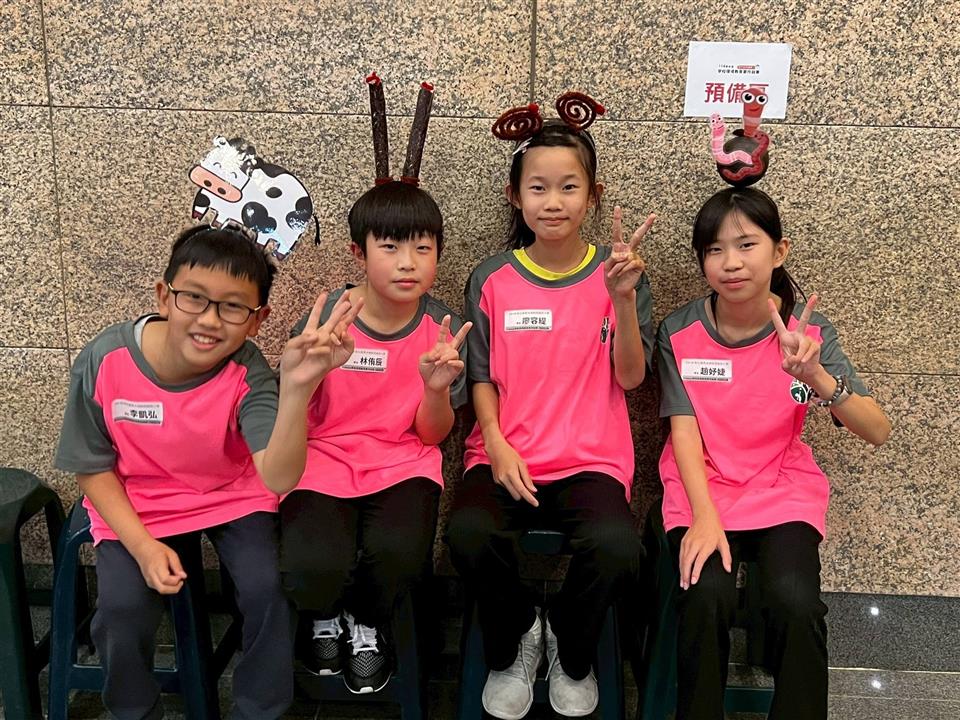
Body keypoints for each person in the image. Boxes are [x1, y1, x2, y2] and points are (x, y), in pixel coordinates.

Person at [54, 225, 360, 720]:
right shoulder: (104, 359)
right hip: (138, 502)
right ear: (164, 295)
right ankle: (133, 710)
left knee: (268, 589)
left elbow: (278, 477)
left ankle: (258, 710)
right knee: (122, 610)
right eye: (194, 298)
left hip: (231, 494)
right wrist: (143, 547)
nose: (210, 320)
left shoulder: (248, 371)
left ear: (257, 320)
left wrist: (298, 386)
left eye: (233, 307)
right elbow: (91, 468)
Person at [446, 94, 655, 719]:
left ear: (593, 196)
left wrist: (621, 300)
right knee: (468, 534)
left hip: (591, 460)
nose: (554, 201)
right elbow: (480, 375)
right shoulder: (491, 278)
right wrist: (495, 441)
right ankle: (516, 637)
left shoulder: (621, 276)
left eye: (569, 187)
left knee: (617, 548)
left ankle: (569, 638)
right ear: (516, 197)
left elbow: (632, 378)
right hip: (506, 454)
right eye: (538, 187)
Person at [657, 187, 891, 720]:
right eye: (714, 250)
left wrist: (817, 376)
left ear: (778, 251)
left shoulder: (809, 334)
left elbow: (877, 430)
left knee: (796, 601)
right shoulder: (679, 331)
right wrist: (705, 516)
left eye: (746, 245)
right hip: (701, 488)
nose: (730, 263)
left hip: (780, 489)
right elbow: (683, 431)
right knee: (705, 595)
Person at [274, 179, 470, 694]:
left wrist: (435, 389)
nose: (407, 263)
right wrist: (309, 371)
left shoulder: (442, 329)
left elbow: (431, 436)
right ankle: (323, 616)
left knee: (400, 556)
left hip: (403, 463)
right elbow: (293, 414)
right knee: (311, 565)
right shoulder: (327, 322)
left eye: (422, 248)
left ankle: (365, 624)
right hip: (321, 460)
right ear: (358, 253)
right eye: (390, 247)